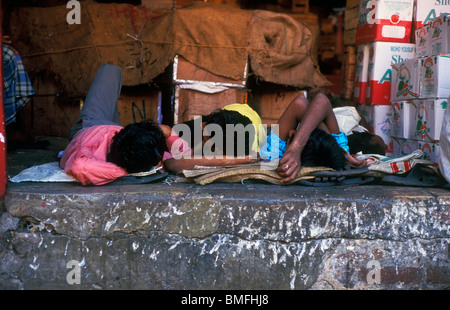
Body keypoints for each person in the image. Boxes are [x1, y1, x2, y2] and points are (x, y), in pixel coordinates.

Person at [60, 64, 258, 185]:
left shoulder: (87, 153)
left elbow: (80, 165)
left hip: (100, 131)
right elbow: (78, 167)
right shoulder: (178, 140)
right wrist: (129, 172)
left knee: (110, 71)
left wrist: (165, 132)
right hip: (108, 131)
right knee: (112, 71)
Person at [271, 91, 370, 184]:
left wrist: (295, 147)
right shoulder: (337, 148)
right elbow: (317, 100)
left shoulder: (275, 150)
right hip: (335, 121)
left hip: (332, 118)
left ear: (291, 133)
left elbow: (301, 102)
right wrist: (339, 150)